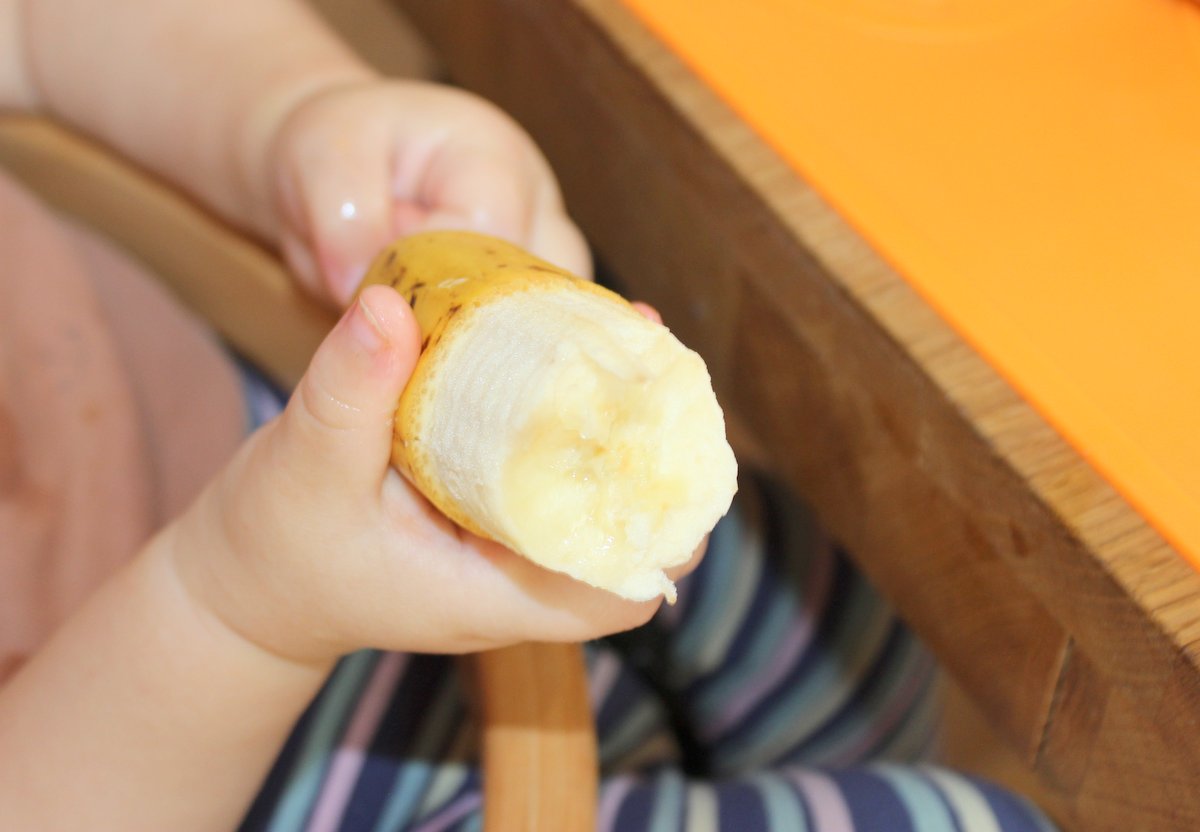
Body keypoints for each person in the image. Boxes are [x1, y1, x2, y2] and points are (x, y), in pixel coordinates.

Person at [0, 1, 1059, 829]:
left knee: (834, 621)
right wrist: (234, 603)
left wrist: (301, 115)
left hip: (248, 420)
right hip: (195, 767)